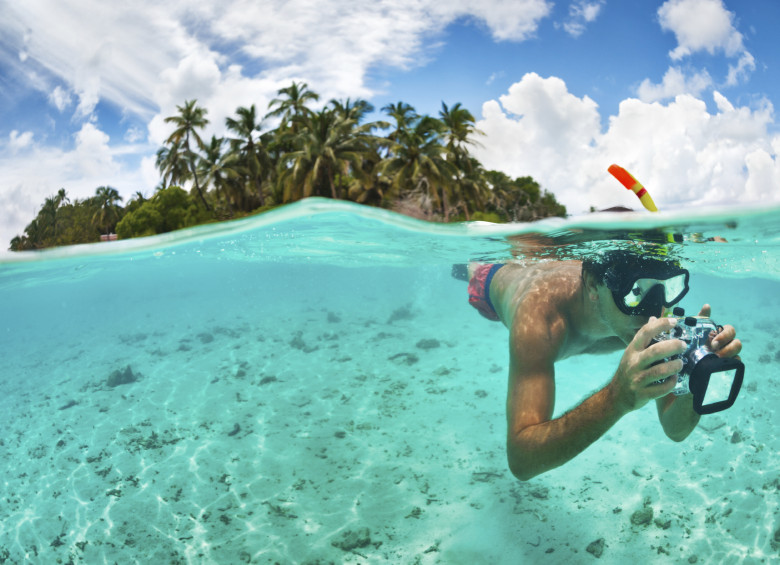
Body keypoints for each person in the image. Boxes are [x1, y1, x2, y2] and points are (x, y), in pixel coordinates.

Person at [465, 250, 742, 481]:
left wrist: (695, 379)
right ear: (592, 285)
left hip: (554, 262)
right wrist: (616, 398)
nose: (653, 313)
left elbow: (675, 430)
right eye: (635, 293)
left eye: (669, 289)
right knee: (470, 267)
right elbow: (522, 460)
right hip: (488, 280)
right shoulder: (540, 318)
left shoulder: (654, 311)